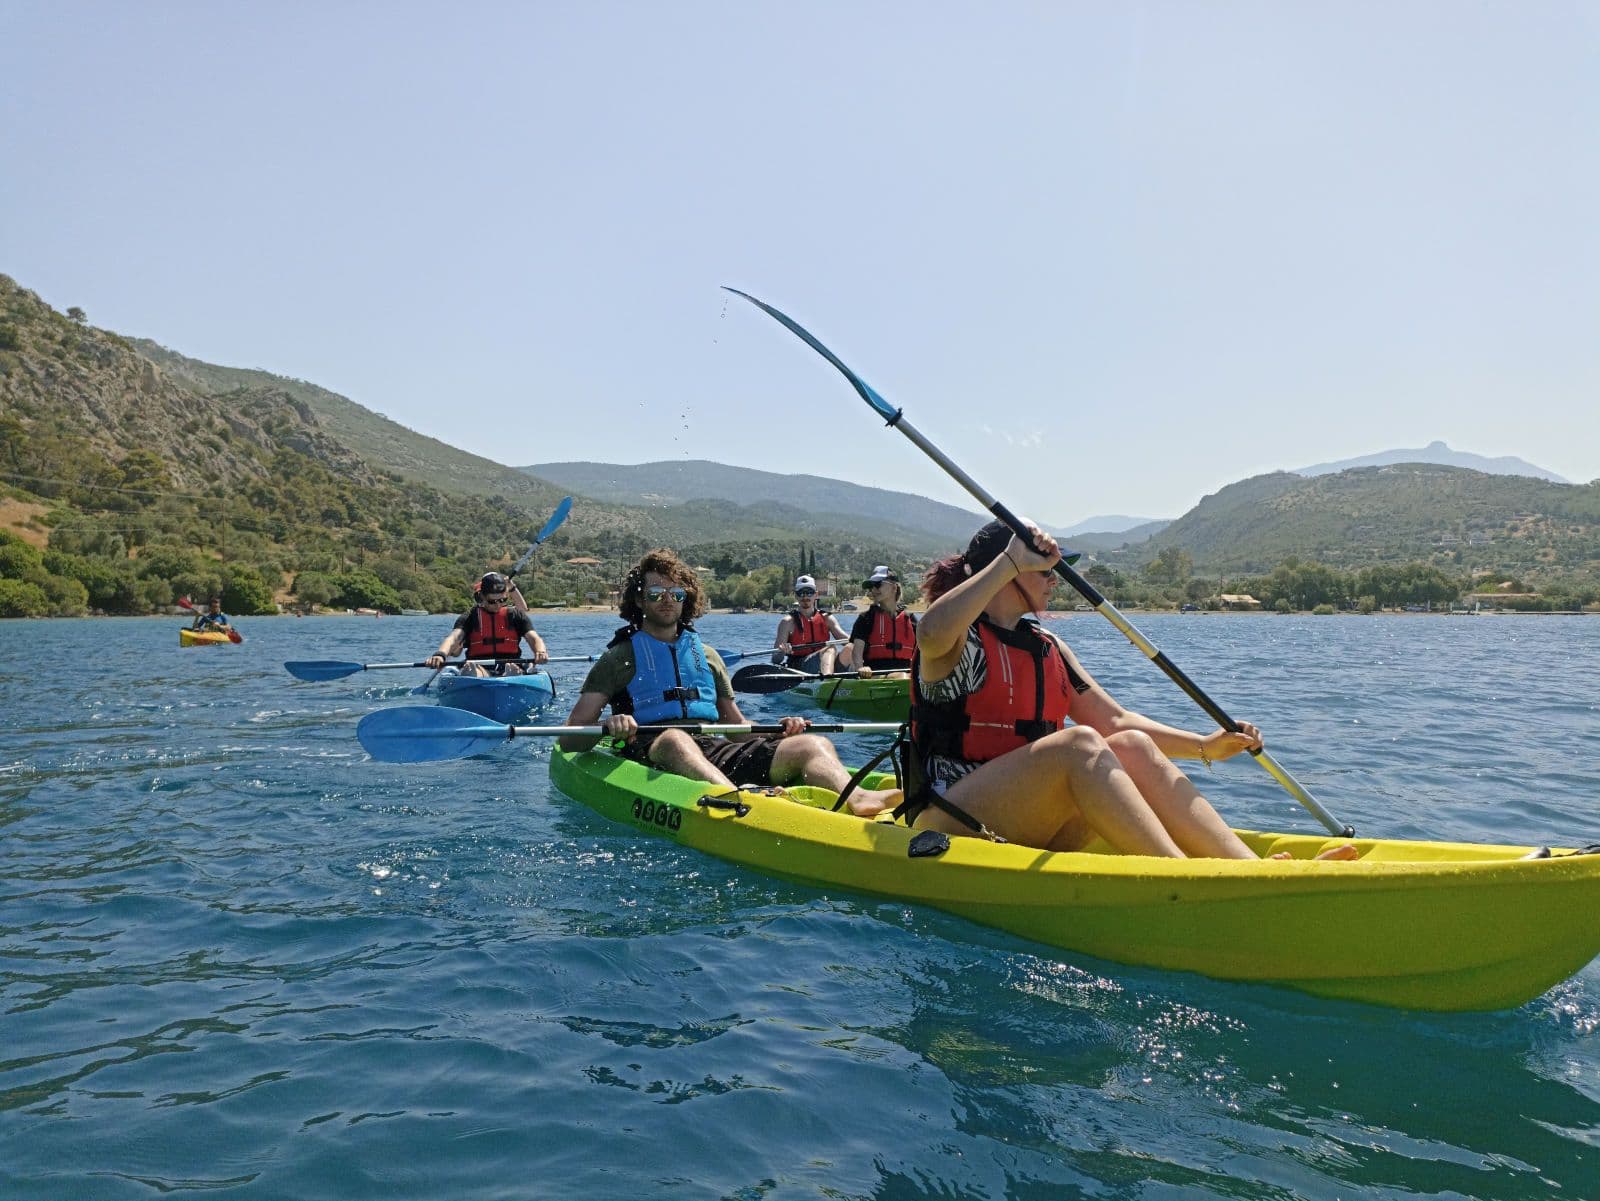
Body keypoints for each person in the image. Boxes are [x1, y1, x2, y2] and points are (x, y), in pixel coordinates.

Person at [848, 521, 1357, 862]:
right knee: (1079, 746)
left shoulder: (1048, 647)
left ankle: (1246, 870)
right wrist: (1008, 561)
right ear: (1011, 571)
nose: (1056, 580)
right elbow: (931, 631)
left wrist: (1205, 746)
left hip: (1025, 818)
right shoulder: (958, 640)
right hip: (950, 819)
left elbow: (1116, 722)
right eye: (1046, 569)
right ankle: (1182, 878)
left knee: (1129, 745)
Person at [561, 549, 902, 810]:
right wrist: (609, 724)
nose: (667, 601)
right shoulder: (619, 658)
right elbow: (569, 738)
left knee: (814, 745)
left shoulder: (707, 656)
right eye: (655, 593)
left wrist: (776, 730)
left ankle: (857, 798)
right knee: (675, 738)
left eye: (676, 594)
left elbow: (735, 726)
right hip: (651, 752)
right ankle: (741, 801)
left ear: (686, 599)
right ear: (639, 600)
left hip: (711, 750)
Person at [426, 571, 549, 676]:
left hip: (512, 662)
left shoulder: (515, 615)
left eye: (502, 600)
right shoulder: (470, 617)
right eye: (492, 601)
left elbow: (534, 638)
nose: (498, 605)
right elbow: (454, 638)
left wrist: (540, 652)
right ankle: (476, 676)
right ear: (482, 597)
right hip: (478, 664)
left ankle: (512, 675)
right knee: (473, 671)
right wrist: (440, 654)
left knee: (514, 669)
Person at [772, 574, 850, 673]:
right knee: (830, 648)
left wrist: (860, 641)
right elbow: (775, 659)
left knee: (851, 648)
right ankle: (827, 679)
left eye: (809, 592)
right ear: (796, 596)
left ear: (816, 595)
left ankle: (861, 675)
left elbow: (847, 640)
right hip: (799, 666)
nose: (805, 597)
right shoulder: (787, 622)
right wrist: (781, 652)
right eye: (801, 593)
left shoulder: (827, 618)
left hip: (824, 661)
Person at [848, 565, 917, 673]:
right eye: (871, 586)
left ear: (894, 588)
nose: (873, 589)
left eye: (878, 584)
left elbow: (923, 652)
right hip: (875, 676)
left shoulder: (910, 619)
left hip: (906, 675)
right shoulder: (865, 618)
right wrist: (860, 668)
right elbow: (857, 653)